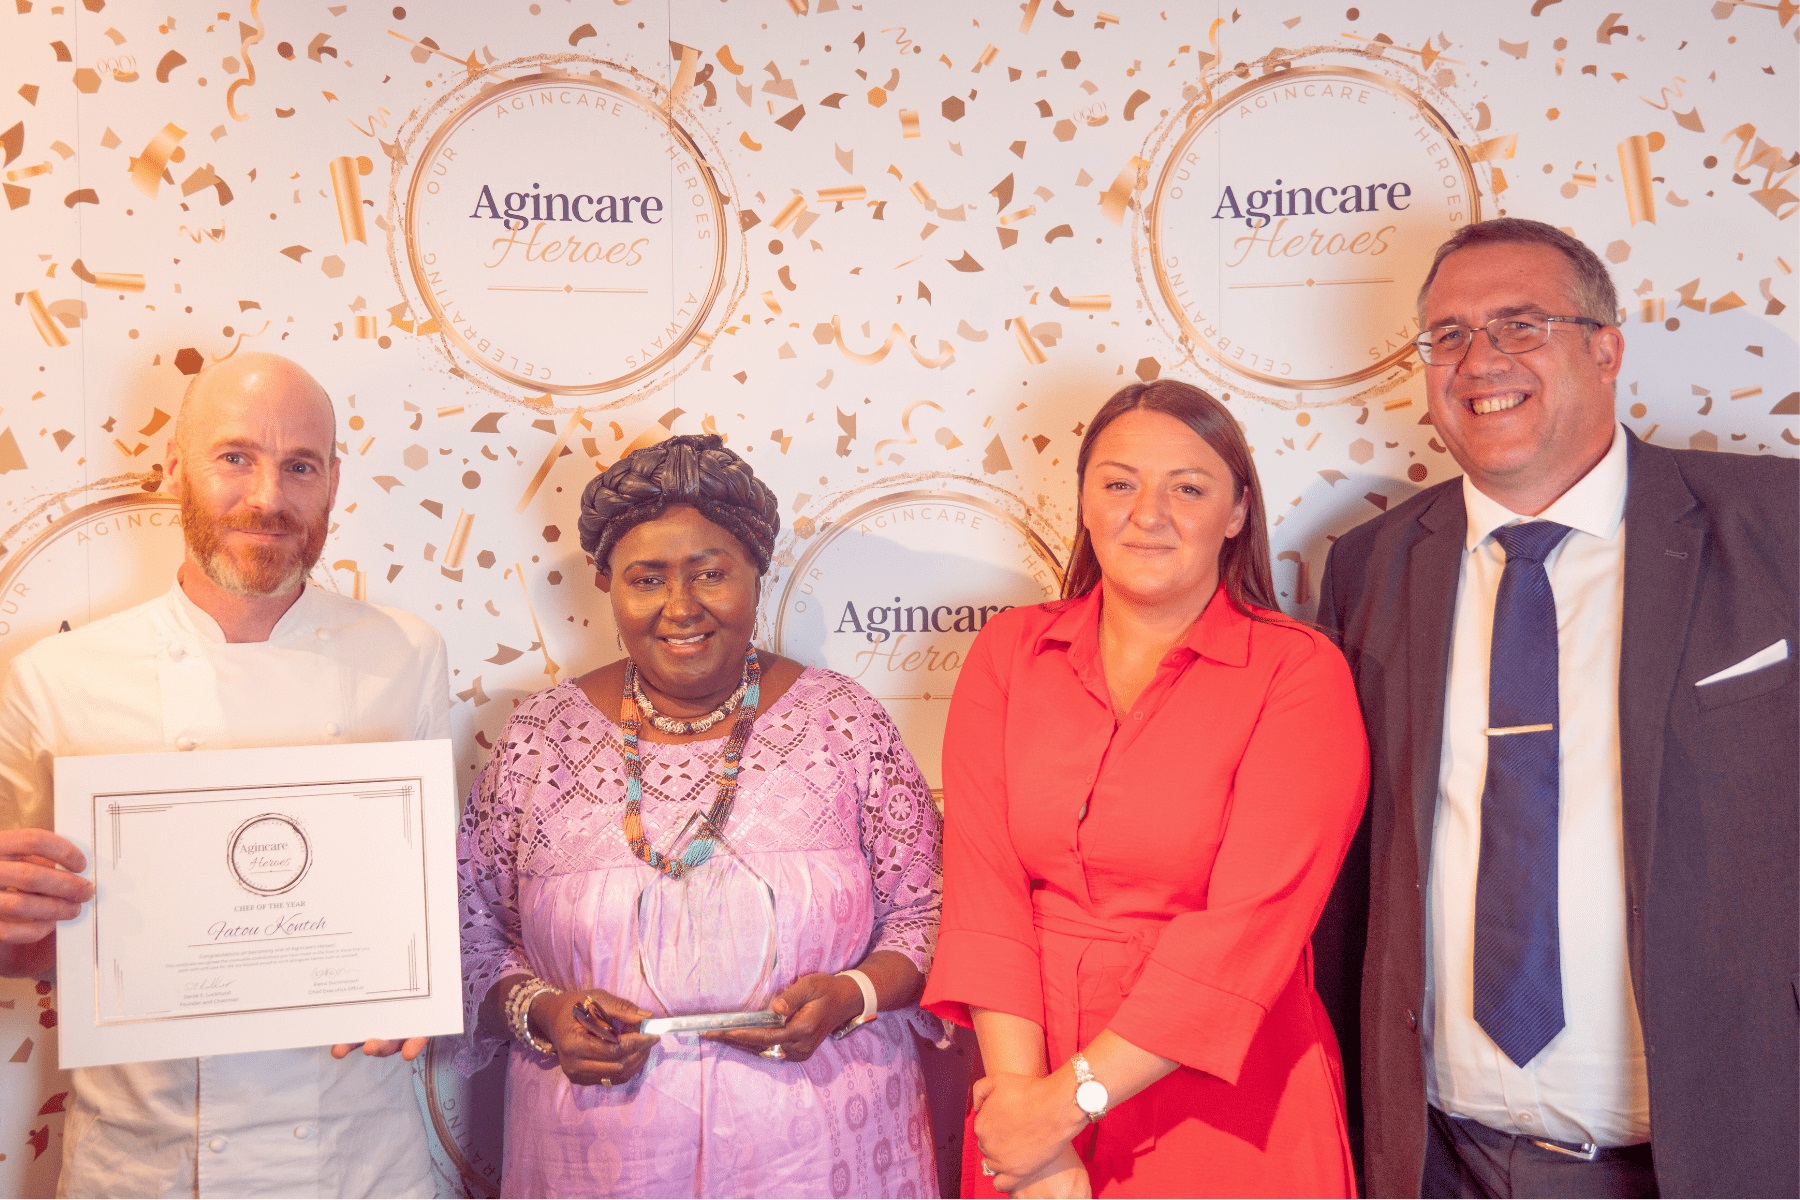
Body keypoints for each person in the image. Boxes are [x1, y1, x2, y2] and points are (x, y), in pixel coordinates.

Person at [1312, 217, 1798, 1198]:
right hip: (1442, 1160)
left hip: (1714, 1159)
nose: (1478, 359)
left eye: (1519, 324)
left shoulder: (1776, 529)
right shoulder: (1368, 568)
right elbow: (1353, 877)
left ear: (1607, 347)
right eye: (1446, 335)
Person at [0, 352, 449, 1197]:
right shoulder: (55, 678)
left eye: (299, 466)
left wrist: (417, 976)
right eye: (235, 457)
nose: (268, 497)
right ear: (177, 470)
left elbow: (421, 900)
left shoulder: (407, 656)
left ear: (333, 484)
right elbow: (33, 947)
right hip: (143, 1163)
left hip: (355, 1160)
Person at [456, 432, 945, 1198]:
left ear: (757, 572)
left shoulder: (842, 722)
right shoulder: (541, 737)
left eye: (711, 573)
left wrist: (851, 996)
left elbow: (931, 910)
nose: (681, 609)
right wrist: (545, 1012)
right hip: (599, 1160)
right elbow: (471, 932)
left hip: (823, 1156)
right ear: (605, 583)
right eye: (647, 579)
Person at [922, 380, 1370, 1198]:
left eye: (1187, 488)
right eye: (1119, 483)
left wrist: (1069, 1104)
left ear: (1237, 511)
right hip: (1026, 1070)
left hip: (1229, 1089)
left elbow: (1249, 930)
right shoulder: (1009, 651)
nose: (1147, 512)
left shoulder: (1298, 672)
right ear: (1086, 502)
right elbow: (986, 896)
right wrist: (1033, 1134)